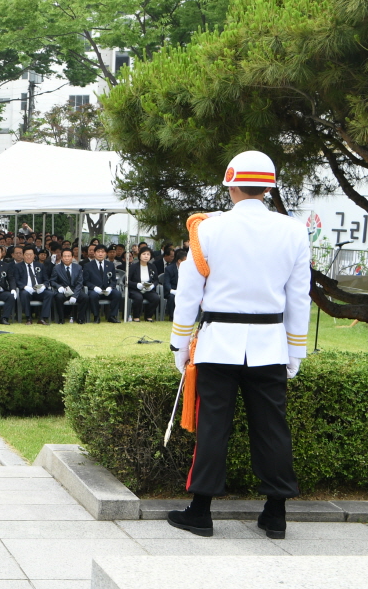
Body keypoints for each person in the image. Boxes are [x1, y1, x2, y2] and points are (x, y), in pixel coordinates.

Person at [168, 150, 309, 539]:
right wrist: (295, 351)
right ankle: (276, 514)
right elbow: (299, 298)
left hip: (219, 344)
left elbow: (189, 293)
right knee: (272, 428)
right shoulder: (294, 231)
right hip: (270, 344)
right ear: (269, 189)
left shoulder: (208, 229)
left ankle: (200, 512)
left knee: (213, 426)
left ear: (230, 185)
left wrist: (180, 344)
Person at [14, 247, 52, 324]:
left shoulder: (40, 266)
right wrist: (25, 287)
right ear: (23, 255)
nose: (29, 256)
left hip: (38, 290)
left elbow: (46, 280)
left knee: (49, 294)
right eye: (26, 254)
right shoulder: (17, 266)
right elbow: (16, 280)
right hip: (26, 290)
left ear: (34, 255)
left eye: (31, 255)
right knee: (24, 294)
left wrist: (44, 286)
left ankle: (42, 318)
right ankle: (28, 318)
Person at [83, 245, 120, 323]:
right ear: (94, 253)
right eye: (98, 252)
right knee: (93, 295)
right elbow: (85, 281)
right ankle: (96, 316)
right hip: (94, 290)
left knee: (117, 294)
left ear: (106, 254)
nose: (100, 254)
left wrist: (110, 287)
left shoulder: (110, 265)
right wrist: (94, 287)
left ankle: (112, 316)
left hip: (107, 290)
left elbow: (114, 280)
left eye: (102, 252)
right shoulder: (88, 266)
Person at [51, 248, 84, 323]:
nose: (66, 258)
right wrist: (58, 286)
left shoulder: (78, 267)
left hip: (75, 290)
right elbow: (52, 281)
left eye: (69, 256)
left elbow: (80, 283)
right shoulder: (56, 268)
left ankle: (80, 318)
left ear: (72, 257)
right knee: (58, 297)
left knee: (85, 298)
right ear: (62, 257)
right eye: (65, 256)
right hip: (63, 291)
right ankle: (61, 318)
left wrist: (75, 296)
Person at [127, 249, 159, 321]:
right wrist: (137, 285)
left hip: (148, 289)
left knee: (156, 298)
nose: (146, 256)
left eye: (148, 254)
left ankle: (148, 316)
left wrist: (152, 285)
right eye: (144, 254)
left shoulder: (152, 266)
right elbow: (126, 280)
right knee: (138, 298)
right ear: (140, 256)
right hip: (136, 289)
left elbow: (156, 280)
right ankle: (136, 316)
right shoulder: (133, 266)